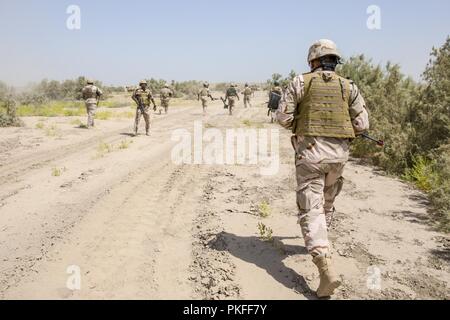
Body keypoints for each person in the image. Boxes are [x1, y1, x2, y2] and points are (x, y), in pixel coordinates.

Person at [276, 39, 370, 298]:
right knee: (326, 204)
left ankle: (325, 269)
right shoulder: (348, 86)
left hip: (310, 154)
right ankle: (324, 243)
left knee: (311, 210)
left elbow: (283, 118)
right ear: (334, 61)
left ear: (313, 61)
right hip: (339, 157)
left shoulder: (300, 82)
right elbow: (362, 124)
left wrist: (300, 123)